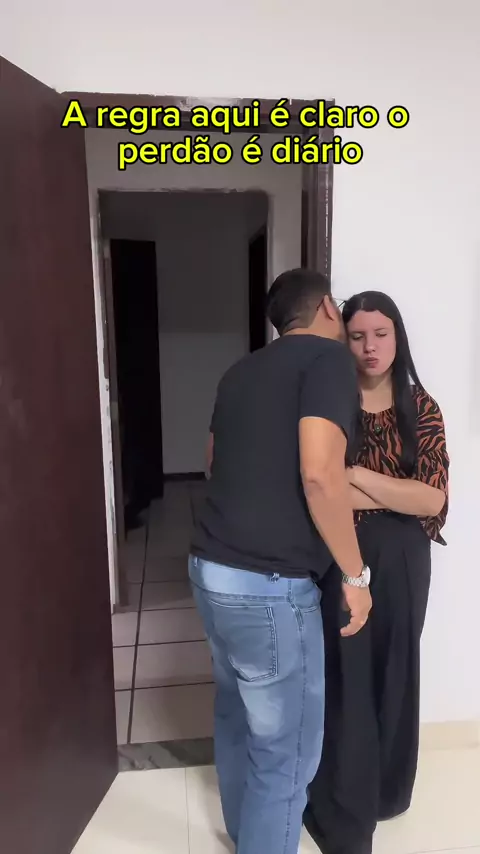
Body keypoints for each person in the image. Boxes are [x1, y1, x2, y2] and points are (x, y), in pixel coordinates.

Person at [189, 269, 372, 854]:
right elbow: (320, 474)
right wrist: (355, 575)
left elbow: (212, 460)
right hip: (268, 589)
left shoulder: (240, 371)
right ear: (327, 309)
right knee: (286, 753)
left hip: (210, 569)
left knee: (236, 716)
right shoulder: (328, 360)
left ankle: (248, 837)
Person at [304, 291, 449, 854]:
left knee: (396, 667)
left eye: (380, 334)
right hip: (342, 557)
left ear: (397, 337)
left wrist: (356, 474)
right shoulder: (329, 403)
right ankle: (341, 793)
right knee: (344, 673)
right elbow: (319, 486)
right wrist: (391, 490)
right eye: (358, 335)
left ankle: (388, 791)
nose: (369, 346)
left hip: (404, 561)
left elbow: (431, 500)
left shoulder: (422, 407)